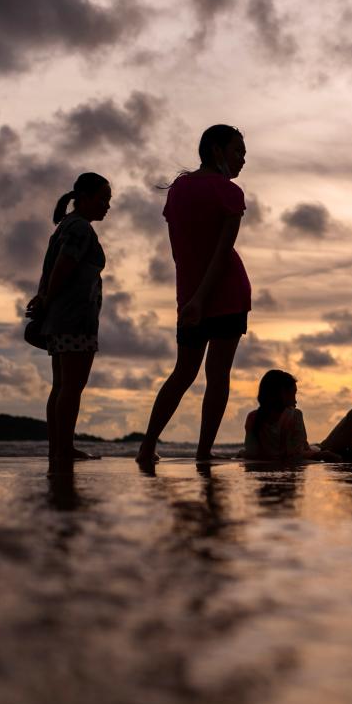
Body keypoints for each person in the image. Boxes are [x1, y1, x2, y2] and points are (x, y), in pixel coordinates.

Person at [136, 125, 253, 465]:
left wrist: (191, 294)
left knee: (190, 373)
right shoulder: (227, 192)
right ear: (217, 151)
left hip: (199, 294)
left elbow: (182, 252)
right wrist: (198, 297)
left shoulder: (179, 190)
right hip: (216, 292)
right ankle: (192, 452)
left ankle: (157, 447)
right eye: (237, 152)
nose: (243, 160)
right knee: (200, 374)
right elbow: (218, 253)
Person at [29, 171, 110, 474]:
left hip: (61, 317)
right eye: (102, 199)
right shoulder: (79, 228)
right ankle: (64, 448)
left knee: (62, 386)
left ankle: (59, 447)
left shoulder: (67, 226)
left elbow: (52, 268)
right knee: (71, 387)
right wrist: (47, 298)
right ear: (85, 199)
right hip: (75, 318)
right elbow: (64, 264)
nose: (107, 206)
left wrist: (45, 297)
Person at [243, 370, 338, 462]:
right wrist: (320, 455)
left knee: (322, 446)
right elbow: (296, 455)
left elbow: (252, 453)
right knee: (328, 446)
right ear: (282, 393)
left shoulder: (252, 417)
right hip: (313, 451)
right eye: (293, 394)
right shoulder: (294, 416)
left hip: (310, 450)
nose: (295, 401)